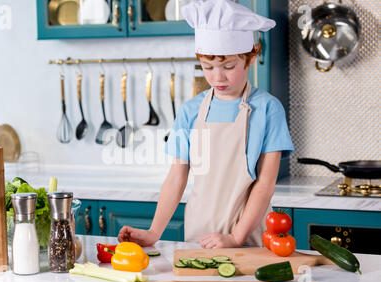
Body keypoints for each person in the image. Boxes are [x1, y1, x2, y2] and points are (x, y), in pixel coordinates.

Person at [118, 0, 294, 248]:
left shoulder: (268, 109)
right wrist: (154, 232)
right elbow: (176, 177)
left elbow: (265, 185)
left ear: (251, 57)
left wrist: (236, 237)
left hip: (249, 237)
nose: (217, 77)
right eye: (207, 67)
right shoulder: (190, 110)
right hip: (200, 236)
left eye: (228, 66)